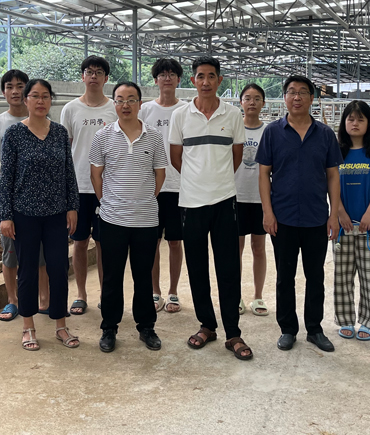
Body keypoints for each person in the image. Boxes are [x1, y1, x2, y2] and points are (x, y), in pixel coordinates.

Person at [169, 56, 253, 361]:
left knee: (228, 267)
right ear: (193, 80)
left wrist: (216, 181)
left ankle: (233, 332)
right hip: (191, 203)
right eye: (200, 76)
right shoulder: (181, 115)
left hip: (224, 201)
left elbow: (236, 156)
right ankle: (207, 325)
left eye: (211, 76)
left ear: (219, 80)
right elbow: (176, 157)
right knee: (197, 267)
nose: (206, 81)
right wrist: (197, 181)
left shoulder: (232, 115)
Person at [256, 75, 342, 353]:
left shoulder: (325, 135)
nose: (296, 97)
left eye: (303, 92)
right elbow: (263, 174)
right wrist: (267, 212)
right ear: (284, 98)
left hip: (316, 217)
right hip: (282, 218)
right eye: (291, 92)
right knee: (285, 277)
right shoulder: (272, 132)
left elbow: (333, 176)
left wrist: (334, 214)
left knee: (315, 276)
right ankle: (288, 329)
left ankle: (314, 329)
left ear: (312, 98)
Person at [0, 79, 80, 351]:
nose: (40, 101)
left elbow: (69, 172)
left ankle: (60, 325)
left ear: (51, 100)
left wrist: (72, 206)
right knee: (27, 270)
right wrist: (5, 215)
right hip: (25, 214)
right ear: (26, 100)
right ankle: (28, 326)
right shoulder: (14, 134)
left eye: (45, 96)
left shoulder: (59, 132)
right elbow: (6, 178)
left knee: (58, 268)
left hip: (56, 213)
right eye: (35, 96)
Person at [90, 81, 167, 353]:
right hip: (112, 220)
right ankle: (109, 327)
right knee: (112, 276)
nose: (126, 105)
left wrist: (144, 200)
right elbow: (96, 175)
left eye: (131, 99)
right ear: (114, 104)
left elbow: (160, 175)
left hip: (146, 220)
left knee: (143, 276)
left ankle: (146, 327)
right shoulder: (102, 136)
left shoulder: (154, 137)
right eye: (120, 99)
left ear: (140, 104)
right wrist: (109, 202)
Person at [0, 70, 52, 322]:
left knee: (41, 252)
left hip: (41, 201)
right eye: (9, 87)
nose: (15, 91)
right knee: (10, 252)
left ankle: (44, 298)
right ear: (3, 92)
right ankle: (12, 300)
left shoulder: (45, 122)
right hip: (12, 199)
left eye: (20, 86)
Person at [60, 56, 117, 316]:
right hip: (79, 186)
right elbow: (65, 149)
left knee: (104, 243)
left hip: (108, 188)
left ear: (106, 78)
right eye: (89, 71)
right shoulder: (70, 109)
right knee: (79, 242)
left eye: (99, 72)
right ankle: (81, 294)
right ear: (82, 76)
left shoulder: (114, 108)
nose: (94, 76)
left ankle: (106, 294)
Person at [334, 100, 370, 342]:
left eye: (360, 119)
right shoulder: (336, 152)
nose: (355, 123)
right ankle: (345, 320)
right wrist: (339, 212)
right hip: (342, 227)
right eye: (350, 119)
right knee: (342, 277)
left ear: (369, 123)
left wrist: (369, 214)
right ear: (344, 122)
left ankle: (368, 322)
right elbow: (330, 184)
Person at [139, 58, 188, 314]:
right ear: (155, 80)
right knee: (153, 241)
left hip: (179, 187)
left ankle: (173, 291)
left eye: (171, 74)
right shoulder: (145, 110)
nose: (167, 78)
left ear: (179, 79)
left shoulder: (187, 110)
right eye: (162, 74)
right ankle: (155, 291)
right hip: (152, 187)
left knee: (176, 242)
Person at [235, 83, 269, 317]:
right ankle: (236, 296)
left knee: (259, 247)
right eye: (247, 98)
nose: (252, 102)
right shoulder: (234, 129)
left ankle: (258, 296)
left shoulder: (269, 132)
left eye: (257, 98)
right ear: (241, 103)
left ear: (263, 103)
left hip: (260, 198)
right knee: (235, 248)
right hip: (236, 196)